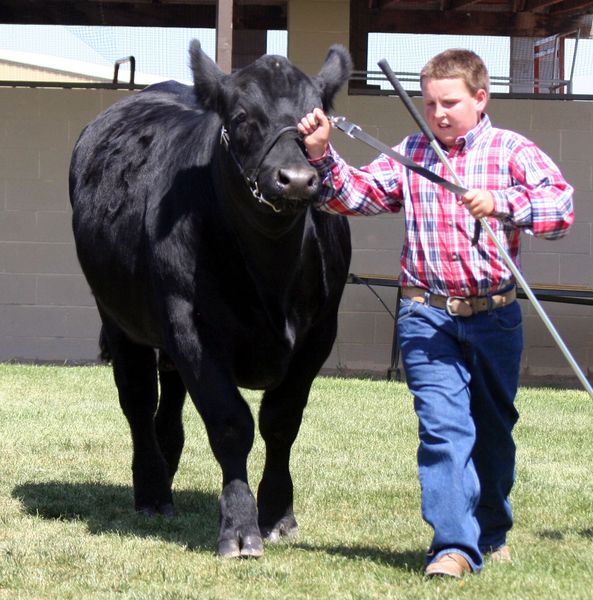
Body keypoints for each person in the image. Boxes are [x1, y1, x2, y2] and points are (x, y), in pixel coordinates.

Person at [298, 49, 574, 577]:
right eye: (430, 104)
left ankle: (492, 531)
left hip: (495, 315)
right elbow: (356, 196)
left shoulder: (512, 150)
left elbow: (561, 210)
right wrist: (321, 155)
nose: (439, 113)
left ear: (480, 98)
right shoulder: (412, 152)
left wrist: (503, 202)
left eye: (449, 102)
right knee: (444, 430)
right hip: (426, 315)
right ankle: (453, 547)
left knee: (493, 431)